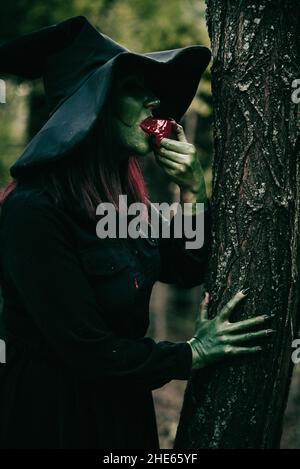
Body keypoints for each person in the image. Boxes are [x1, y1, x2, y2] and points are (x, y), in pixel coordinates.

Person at [0, 17, 274, 449]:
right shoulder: (31, 212)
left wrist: (194, 190)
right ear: (90, 109)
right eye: (132, 88)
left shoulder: (119, 203)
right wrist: (190, 354)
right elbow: (87, 351)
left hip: (123, 413)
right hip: (54, 420)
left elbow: (185, 267)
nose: (153, 101)